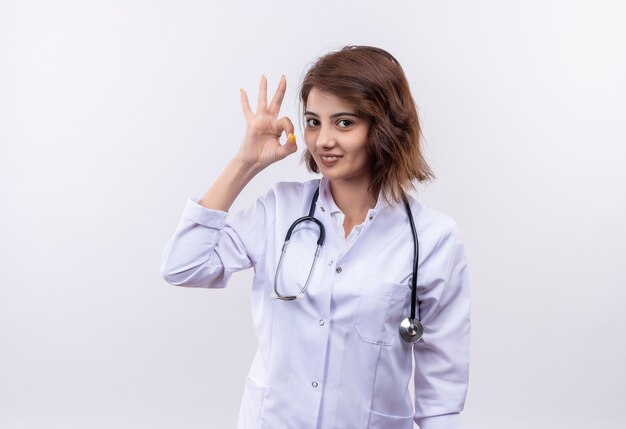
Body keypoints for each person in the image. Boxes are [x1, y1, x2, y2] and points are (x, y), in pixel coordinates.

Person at [161, 45, 470, 429]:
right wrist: (245, 164)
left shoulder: (433, 239)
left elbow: (440, 394)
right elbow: (183, 266)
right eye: (312, 121)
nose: (323, 140)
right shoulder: (280, 210)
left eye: (344, 123)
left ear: (386, 126)